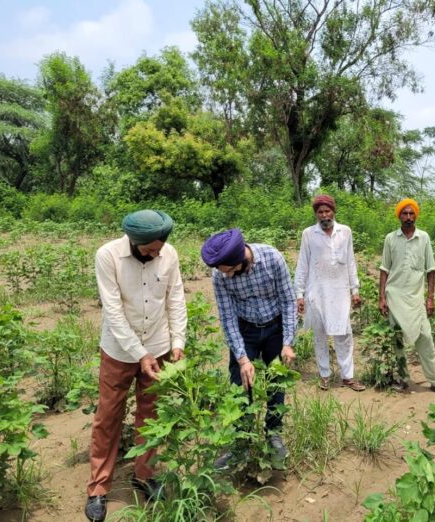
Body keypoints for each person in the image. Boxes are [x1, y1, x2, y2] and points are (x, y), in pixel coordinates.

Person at [85, 210, 187, 522]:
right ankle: (99, 488)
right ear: (135, 241)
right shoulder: (108, 256)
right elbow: (113, 311)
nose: (158, 253)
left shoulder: (168, 253)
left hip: (157, 347)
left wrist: (178, 341)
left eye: (160, 248)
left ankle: (144, 474)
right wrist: (139, 353)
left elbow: (176, 298)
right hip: (118, 350)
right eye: (151, 249)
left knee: (151, 413)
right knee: (108, 415)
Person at [201, 228, 297, 469]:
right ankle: (241, 442)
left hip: (275, 327)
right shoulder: (220, 276)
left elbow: (288, 299)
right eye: (225, 273)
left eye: (232, 271)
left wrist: (288, 343)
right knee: (240, 382)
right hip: (245, 329)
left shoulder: (272, 259)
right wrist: (243, 359)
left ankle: (273, 434)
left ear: (241, 259)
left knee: (277, 382)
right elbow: (227, 317)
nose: (229, 277)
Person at [379, 198, 435, 400]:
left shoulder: (424, 238)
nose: (408, 217)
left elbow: (431, 270)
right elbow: (384, 270)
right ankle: (402, 379)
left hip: (416, 298)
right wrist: (381, 297)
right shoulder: (390, 239)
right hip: (394, 297)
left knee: (425, 338)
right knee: (397, 340)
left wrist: (430, 298)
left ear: (416, 215)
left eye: (411, 214)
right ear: (399, 216)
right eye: (405, 214)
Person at [294, 195, 365, 391]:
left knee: (344, 334)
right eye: (320, 212)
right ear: (316, 214)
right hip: (317, 291)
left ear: (333, 211)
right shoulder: (309, 234)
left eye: (327, 211)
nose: (324, 215)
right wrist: (299, 294)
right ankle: (324, 374)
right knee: (320, 334)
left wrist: (355, 289)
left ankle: (347, 376)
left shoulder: (345, 232)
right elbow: (302, 264)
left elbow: (350, 261)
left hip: (340, 291)